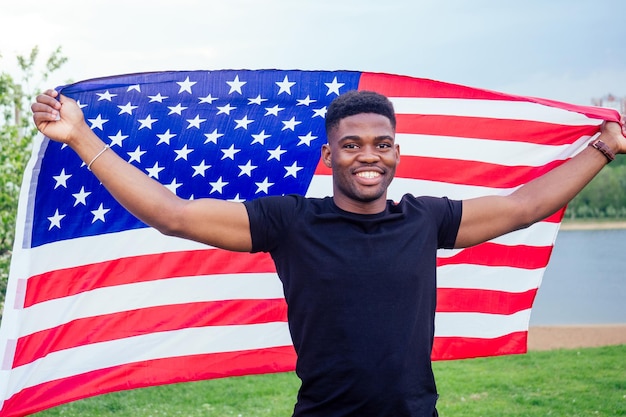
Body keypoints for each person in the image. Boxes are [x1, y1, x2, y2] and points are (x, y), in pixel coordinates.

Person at [31, 88, 626, 417]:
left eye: (382, 144)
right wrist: (81, 135)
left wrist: (601, 149)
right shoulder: (290, 221)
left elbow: (523, 206)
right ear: (329, 154)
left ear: (397, 153)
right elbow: (174, 215)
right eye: (352, 144)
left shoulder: (427, 219)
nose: (369, 154)